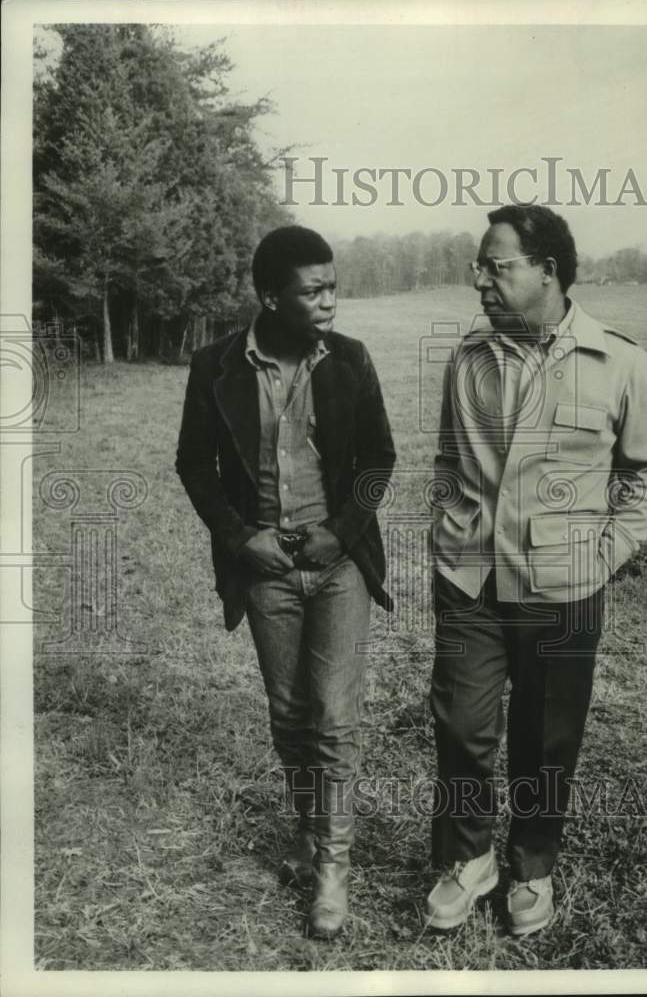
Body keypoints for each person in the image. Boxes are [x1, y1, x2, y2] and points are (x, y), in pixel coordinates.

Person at [426, 204, 647, 936]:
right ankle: (468, 859)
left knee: (545, 737)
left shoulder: (620, 362)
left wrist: (609, 550)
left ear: (547, 272)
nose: (480, 280)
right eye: (480, 266)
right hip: (471, 578)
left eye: (495, 266)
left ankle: (532, 866)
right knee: (460, 727)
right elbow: (448, 457)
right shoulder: (468, 355)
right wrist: (448, 532)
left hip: (565, 588)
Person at [176, 225, 396, 939]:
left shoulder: (350, 361)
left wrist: (340, 531)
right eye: (313, 290)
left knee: (334, 717)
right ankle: (309, 831)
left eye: (332, 286)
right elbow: (194, 467)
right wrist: (244, 539)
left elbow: (377, 459)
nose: (330, 300)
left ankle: (332, 867)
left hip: (337, 567)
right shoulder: (214, 366)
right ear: (270, 297)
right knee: (291, 713)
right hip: (265, 570)